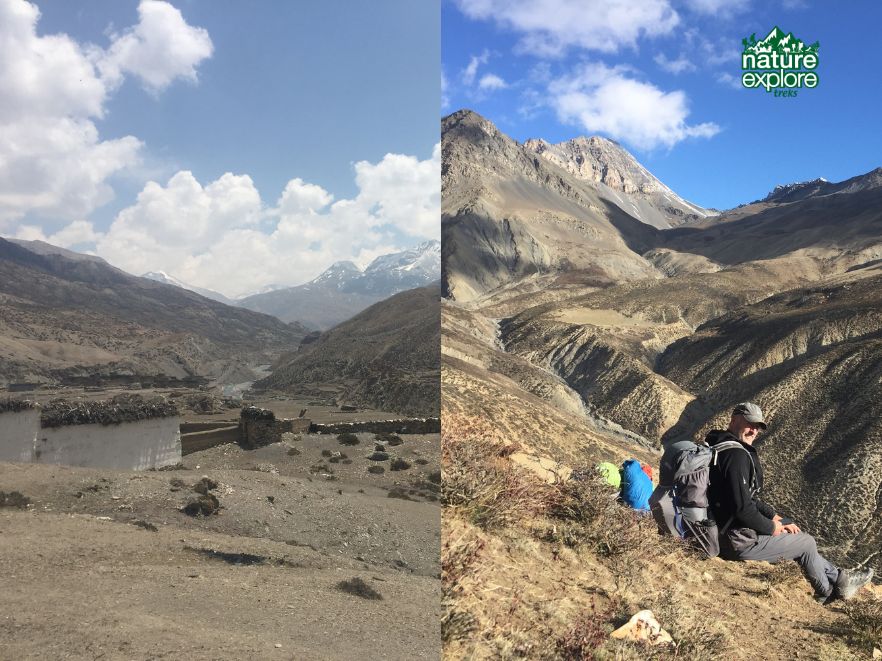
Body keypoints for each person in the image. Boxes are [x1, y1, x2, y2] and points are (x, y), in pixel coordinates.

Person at [707, 402, 874, 604]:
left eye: (757, 426)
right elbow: (742, 509)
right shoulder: (736, 456)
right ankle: (828, 594)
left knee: (794, 533)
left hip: (722, 531)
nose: (754, 430)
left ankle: (841, 577)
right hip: (737, 542)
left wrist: (773, 516)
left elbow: (744, 499)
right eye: (749, 424)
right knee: (806, 543)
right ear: (734, 420)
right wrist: (772, 527)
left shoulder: (718, 445)